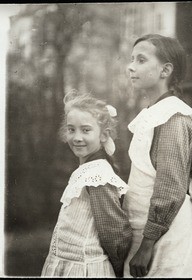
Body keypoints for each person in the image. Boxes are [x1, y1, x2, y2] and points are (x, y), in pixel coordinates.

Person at [122, 34, 192, 278]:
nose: (130, 66)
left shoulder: (172, 116)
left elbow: (170, 187)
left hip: (166, 235)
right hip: (146, 231)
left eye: (141, 60)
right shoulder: (154, 113)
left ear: (165, 70)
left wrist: (147, 245)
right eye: (131, 59)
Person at [41, 90, 132, 277]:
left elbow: (114, 232)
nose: (77, 137)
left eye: (86, 130)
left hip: (85, 268)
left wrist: (116, 267)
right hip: (67, 263)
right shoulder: (86, 170)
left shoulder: (97, 175)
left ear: (104, 135)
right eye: (71, 129)